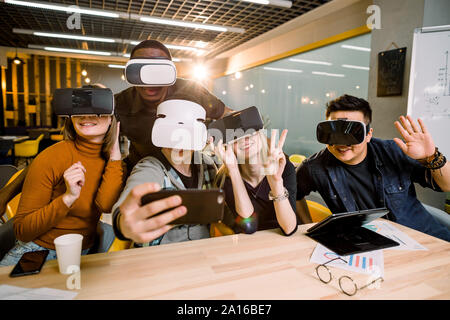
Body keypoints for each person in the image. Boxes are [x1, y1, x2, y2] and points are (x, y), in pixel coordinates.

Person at [296, 94, 450, 241]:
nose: (342, 143)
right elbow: (293, 194)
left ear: (368, 134)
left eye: (352, 132)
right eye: (334, 131)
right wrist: (307, 226)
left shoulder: (394, 152)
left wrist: (432, 157)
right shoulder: (314, 167)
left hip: (425, 236)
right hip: (370, 245)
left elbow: (446, 185)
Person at [0, 89, 125, 266]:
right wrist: (67, 198)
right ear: (70, 116)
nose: (86, 116)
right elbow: (22, 231)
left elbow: (105, 205)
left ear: (112, 117)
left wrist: (115, 156)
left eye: (96, 109)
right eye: (79, 110)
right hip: (38, 251)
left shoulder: (114, 164)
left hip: (82, 254)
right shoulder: (52, 157)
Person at [111, 98, 218, 245]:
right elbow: (133, 193)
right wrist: (123, 221)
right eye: (170, 134)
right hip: (162, 257)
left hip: (204, 253)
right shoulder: (150, 167)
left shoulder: (207, 165)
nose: (178, 144)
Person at [115, 39, 233, 171]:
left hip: (187, 172)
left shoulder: (192, 90)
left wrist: (212, 137)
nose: (150, 82)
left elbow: (228, 114)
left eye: (158, 72)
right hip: (143, 171)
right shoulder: (121, 103)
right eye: (143, 71)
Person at [214, 129, 298, 236]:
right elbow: (249, 227)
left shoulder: (283, 168)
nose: (245, 139)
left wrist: (276, 183)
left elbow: (289, 228)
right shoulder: (225, 179)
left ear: (260, 135)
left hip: (284, 241)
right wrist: (233, 170)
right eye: (236, 137)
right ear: (228, 145)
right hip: (250, 244)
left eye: (250, 132)